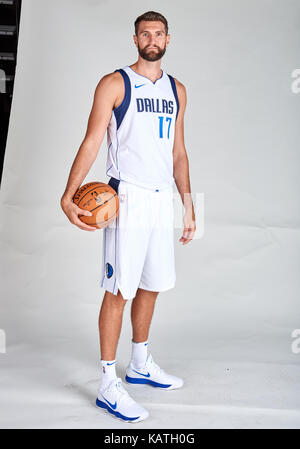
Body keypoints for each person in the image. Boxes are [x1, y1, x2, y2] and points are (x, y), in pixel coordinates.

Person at [61, 10, 196, 423]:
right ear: (135, 39)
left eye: (158, 33)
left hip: (160, 198)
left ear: (168, 40)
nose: (151, 39)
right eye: (144, 33)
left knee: (153, 284)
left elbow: (178, 152)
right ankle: (107, 383)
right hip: (128, 196)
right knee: (119, 289)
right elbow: (92, 140)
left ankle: (139, 363)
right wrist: (68, 195)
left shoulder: (178, 90)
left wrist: (188, 203)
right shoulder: (114, 83)